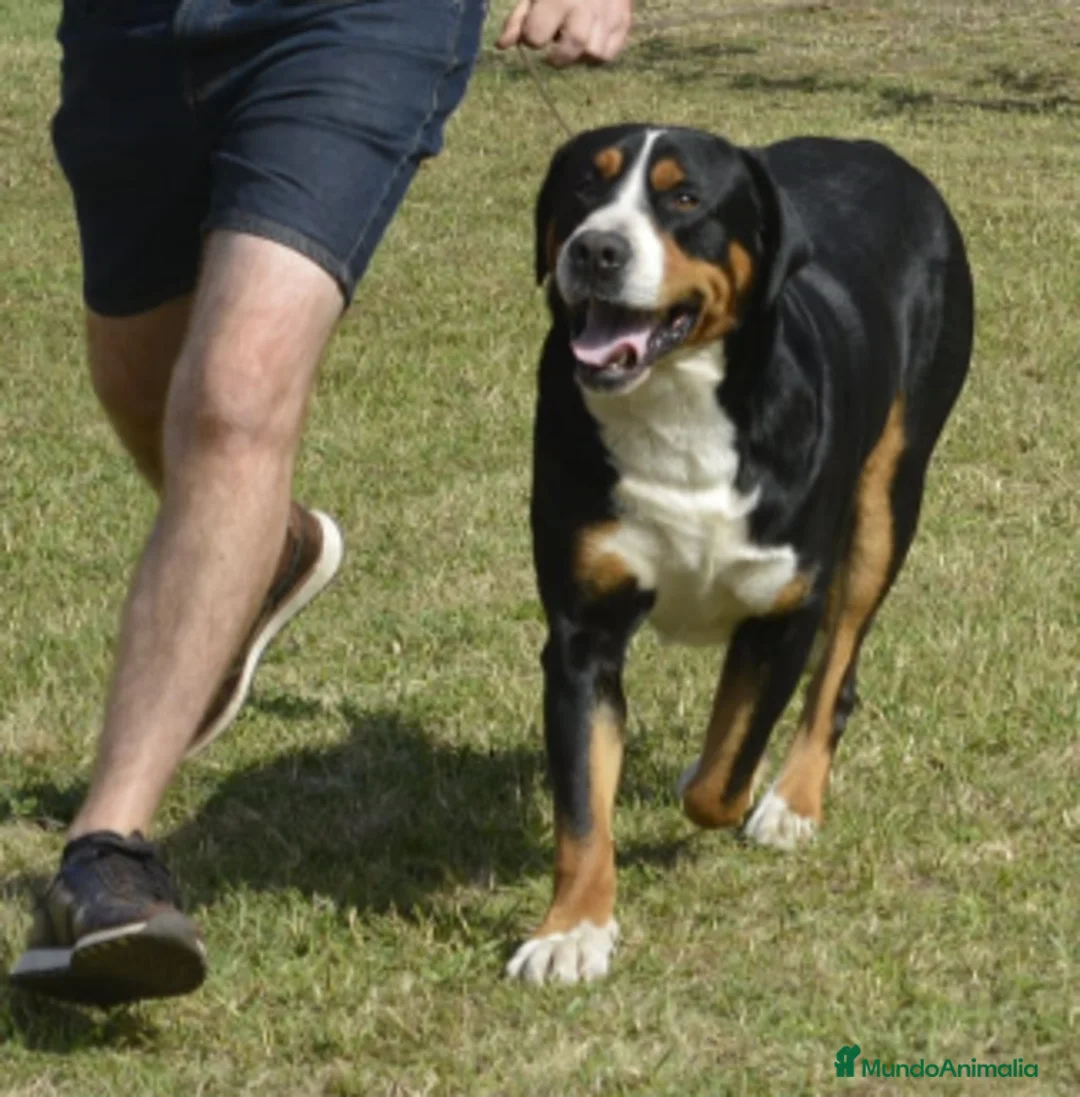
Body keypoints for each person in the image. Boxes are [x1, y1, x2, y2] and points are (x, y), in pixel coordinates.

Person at [9, 0, 632, 1008]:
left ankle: (106, 858)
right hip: (129, 29)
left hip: (357, 21)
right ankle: (264, 550)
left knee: (232, 399)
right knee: (144, 388)